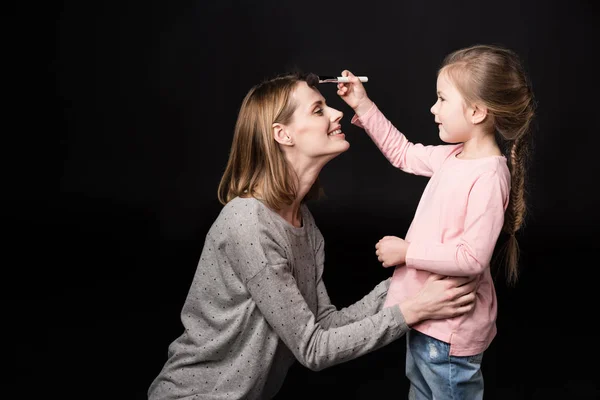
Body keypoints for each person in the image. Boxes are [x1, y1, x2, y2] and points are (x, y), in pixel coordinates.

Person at [147, 72, 479, 400]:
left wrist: (411, 281)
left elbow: (324, 324)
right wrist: (412, 310)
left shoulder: (302, 222)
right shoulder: (249, 224)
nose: (337, 114)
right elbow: (313, 348)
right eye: (319, 110)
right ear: (283, 134)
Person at [337, 44, 535, 399]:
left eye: (442, 99)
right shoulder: (453, 157)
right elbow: (402, 152)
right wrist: (363, 105)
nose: (433, 108)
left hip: (449, 331)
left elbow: (472, 259)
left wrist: (407, 252)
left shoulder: (488, 177)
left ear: (476, 111)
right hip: (427, 318)